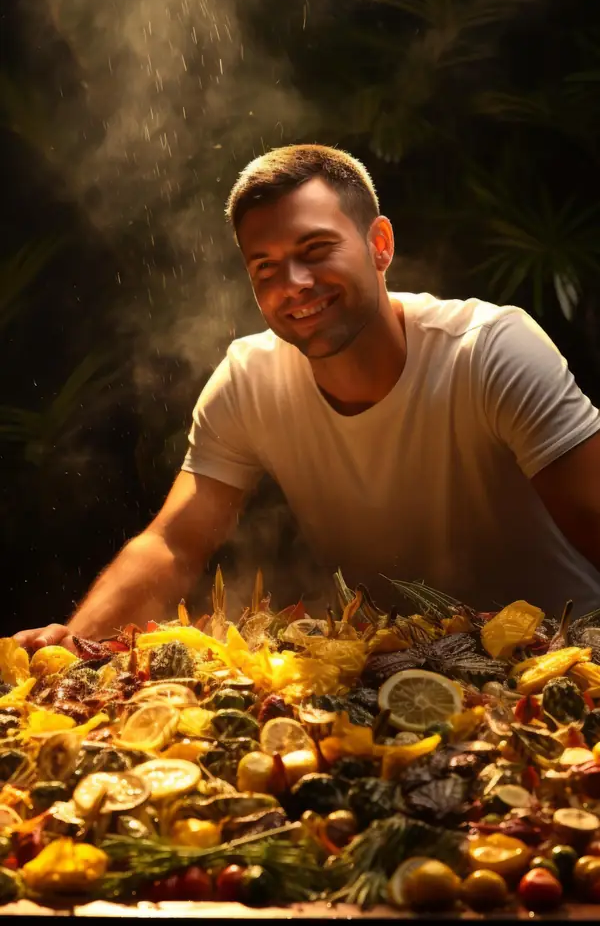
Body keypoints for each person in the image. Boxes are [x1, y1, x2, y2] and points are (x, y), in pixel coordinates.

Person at [15, 143, 600, 652]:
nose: (292, 284)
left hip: (564, 659)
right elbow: (174, 542)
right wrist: (75, 644)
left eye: (315, 249)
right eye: (265, 266)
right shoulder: (250, 378)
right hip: (392, 675)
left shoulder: (489, 350)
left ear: (380, 244)